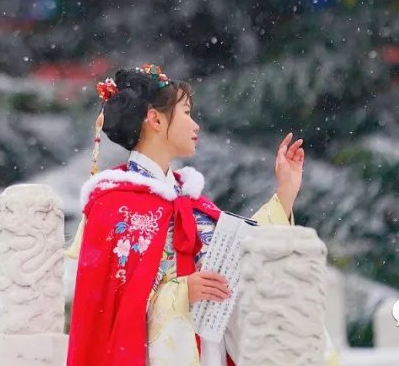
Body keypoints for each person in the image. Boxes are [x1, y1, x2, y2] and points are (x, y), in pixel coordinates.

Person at [66, 64, 338, 366]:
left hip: (209, 348)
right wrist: (181, 292)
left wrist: (285, 192)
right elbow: (112, 311)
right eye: (185, 113)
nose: (195, 125)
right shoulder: (114, 204)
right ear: (155, 119)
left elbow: (241, 251)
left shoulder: (188, 200)